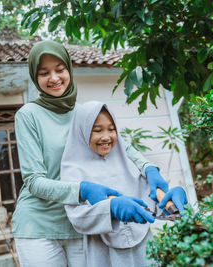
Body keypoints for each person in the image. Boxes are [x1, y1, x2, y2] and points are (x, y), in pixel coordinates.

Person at [11, 40, 173, 267]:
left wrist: (150, 169)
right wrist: (83, 189)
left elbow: (122, 147)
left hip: (84, 221)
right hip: (39, 225)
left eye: (60, 70)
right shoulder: (29, 115)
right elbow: (34, 181)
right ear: (35, 77)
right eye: (44, 73)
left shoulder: (84, 112)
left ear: (69, 69)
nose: (54, 78)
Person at [60, 101, 188, 266]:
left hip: (144, 248)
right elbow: (77, 217)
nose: (106, 136)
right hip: (104, 254)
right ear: (82, 132)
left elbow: (151, 204)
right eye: (97, 130)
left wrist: (172, 201)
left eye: (112, 129)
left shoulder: (128, 162)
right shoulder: (73, 169)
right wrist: (110, 208)